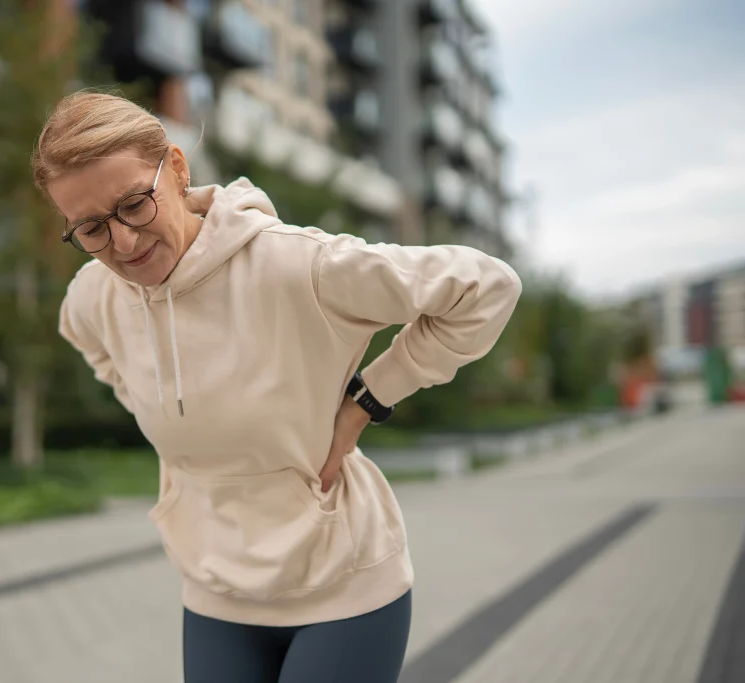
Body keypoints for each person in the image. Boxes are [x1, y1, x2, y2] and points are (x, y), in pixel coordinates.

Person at [33, 91, 522, 683]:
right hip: (216, 590)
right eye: (91, 228)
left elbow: (486, 288)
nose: (125, 243)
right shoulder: (94, 296)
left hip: (344, 585)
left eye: (135, 204)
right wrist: (152, 399)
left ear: (179, 169)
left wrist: (369, 398)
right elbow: (93, 344)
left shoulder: (299, 266)